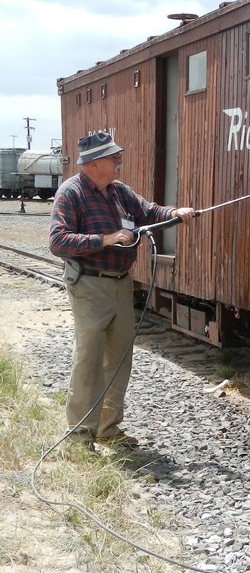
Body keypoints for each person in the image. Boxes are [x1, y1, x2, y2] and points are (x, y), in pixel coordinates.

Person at [49, 131, 197, 448]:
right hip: (89, 284)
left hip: (121, 283)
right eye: (112, 156)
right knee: (88, 358)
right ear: (94, 163)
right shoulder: (70, 194)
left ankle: (108, 428)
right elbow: (58, 241)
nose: (119, 159)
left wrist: (174, 213)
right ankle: (79, 435)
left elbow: (149, 211)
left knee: (119, 358)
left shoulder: (119, 192)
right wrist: (107, 239)